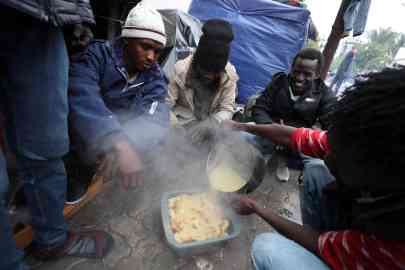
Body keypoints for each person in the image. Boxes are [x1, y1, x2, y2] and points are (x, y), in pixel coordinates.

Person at [223, 67, 405, 269]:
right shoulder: (359, 140)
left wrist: (257, 208)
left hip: (365, 260)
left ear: (375, 173)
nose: (329, 157)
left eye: (338, 157)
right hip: (354, 237)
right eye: (333, 147)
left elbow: (320, 244)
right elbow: (292, 135)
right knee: (317, 171)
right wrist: (243, 126)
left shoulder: (393, 242)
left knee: (266, 248)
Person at [0, 1, 114, 270]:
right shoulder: (105, 55)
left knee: (47, 143)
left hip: (38, 14)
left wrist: (76, 13)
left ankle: (52, 239)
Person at [67, 2, 170, 193]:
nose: (151, 57)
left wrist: (126, 143)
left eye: (157, 51)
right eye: (145, 47)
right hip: (75, 145)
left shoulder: (155, 78)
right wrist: (117, 141)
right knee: (67, 191)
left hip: (112, 154)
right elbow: (82, 96)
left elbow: (156, 118)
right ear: (126, 41)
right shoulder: (96, 56)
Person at [249, 48, 336, 181]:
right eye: (296, 71)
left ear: (317, 75)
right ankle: (262, 155)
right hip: (270, 131)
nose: (299, 78)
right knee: (241, 138)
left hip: (296, 139)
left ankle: (284, 162)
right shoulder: (279, 82)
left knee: (318, 166)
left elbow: (331, 124)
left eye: (307, 74)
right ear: (292, 68)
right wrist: (270, 128)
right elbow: (260, 107)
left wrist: (311, 132)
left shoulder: (324, 94)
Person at [166, 19, 239, 146]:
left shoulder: (229, 74)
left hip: (211, 128)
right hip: (182, 124)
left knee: (230, 144)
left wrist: (212, 123)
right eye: (206, 71)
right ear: (198, 64)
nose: (209, 77)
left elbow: (227, 108)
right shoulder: (181, 70)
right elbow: (165, 105)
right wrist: (175, 127)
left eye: (214, 73)